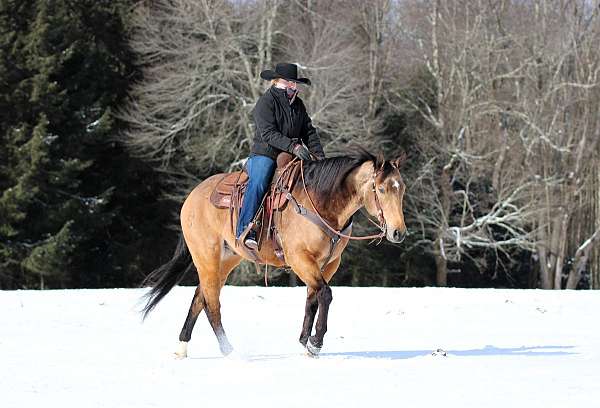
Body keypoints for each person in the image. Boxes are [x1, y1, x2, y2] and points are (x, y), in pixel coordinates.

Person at [236, 63, 325, 250]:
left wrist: (319, 157)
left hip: (291, 153)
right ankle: (246, 228)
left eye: (294, 82)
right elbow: (268, 133)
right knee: (260, 180)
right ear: (277, 81)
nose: (292, 85)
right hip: (265, 152)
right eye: (289, 82)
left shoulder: (298, 104)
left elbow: (309, 131)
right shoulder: (266, 102)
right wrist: (294, 146)